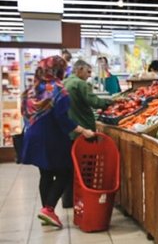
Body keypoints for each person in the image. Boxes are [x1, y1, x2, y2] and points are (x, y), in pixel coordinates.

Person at [20, 56, 95, 228]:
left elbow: (25, 113)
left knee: (45, 173)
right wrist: (83, 130)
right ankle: (48, 209)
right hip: (52, 137)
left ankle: (46, 212)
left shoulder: (30, 90)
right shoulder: (58, 90)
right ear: (58, 70)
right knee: (65, 172)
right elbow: (62, 119)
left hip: (33, 136)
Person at [62, 59, 113, 208]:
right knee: (86, 168)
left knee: (71, 167)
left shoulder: (65, 82)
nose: (89, 75)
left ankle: (68, 199)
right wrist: (110, 102)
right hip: (84, 131)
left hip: (70, 131)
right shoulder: (80, 84)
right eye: (88, 72)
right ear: (79, 70)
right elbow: (95, 102)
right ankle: (84, 197)